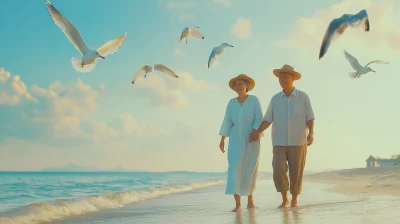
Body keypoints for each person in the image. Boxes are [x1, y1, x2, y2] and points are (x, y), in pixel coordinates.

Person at [250, 64, 315, 208]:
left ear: (293, 78)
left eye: (285, 75)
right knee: (278, 168)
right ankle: (284, 198)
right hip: (279, 141)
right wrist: (257, 131)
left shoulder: (303, 97)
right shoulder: (275, 99)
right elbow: (267, 119)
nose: (282, 78)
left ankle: (294, 200)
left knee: (296, 172)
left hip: (299, 140)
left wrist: (311, 133)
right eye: (281, 76)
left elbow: (310, 117)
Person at [219, 74, 263, 212]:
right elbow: (227, 120)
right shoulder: (231, 103)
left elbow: (259, 117)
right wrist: (222, 139)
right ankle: (238, 205)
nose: (238, 86)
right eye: (235, 84)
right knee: (234, 168)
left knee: (250, 168)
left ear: (247, 86)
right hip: (235, 138)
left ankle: (250, 201)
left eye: (240, 84)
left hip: (252, 138)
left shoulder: (254, 100)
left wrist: (255, 131)